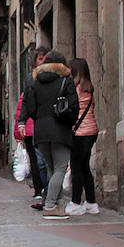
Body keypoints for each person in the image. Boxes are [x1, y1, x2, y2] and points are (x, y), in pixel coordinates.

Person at [22, 49, 78, 219]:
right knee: (60, 168)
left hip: (40, 130)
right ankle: (50, 205)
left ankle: (59, 204)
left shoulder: (34, 83)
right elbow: (74, 106)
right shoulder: (66, 81)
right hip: (60, 129)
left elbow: (30, 108)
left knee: (52, 168)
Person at [16, 45, 50, 209]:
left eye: (45, 58)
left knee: (50, 162)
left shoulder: (59, 76)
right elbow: (26, 101)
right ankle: (45, 193)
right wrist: (22, 122)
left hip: (53, 125)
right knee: (41, 163)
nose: (43, 62)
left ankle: (50, 196)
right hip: (37, 125)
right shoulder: (30, 79)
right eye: (40, 58)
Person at [66, 57, 100, 215]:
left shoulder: (75, 88)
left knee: (77, 168)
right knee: (85, 167)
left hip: (79, 132)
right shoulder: (89, 88)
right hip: (92, 130)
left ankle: (76, 202)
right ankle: (91, 202)